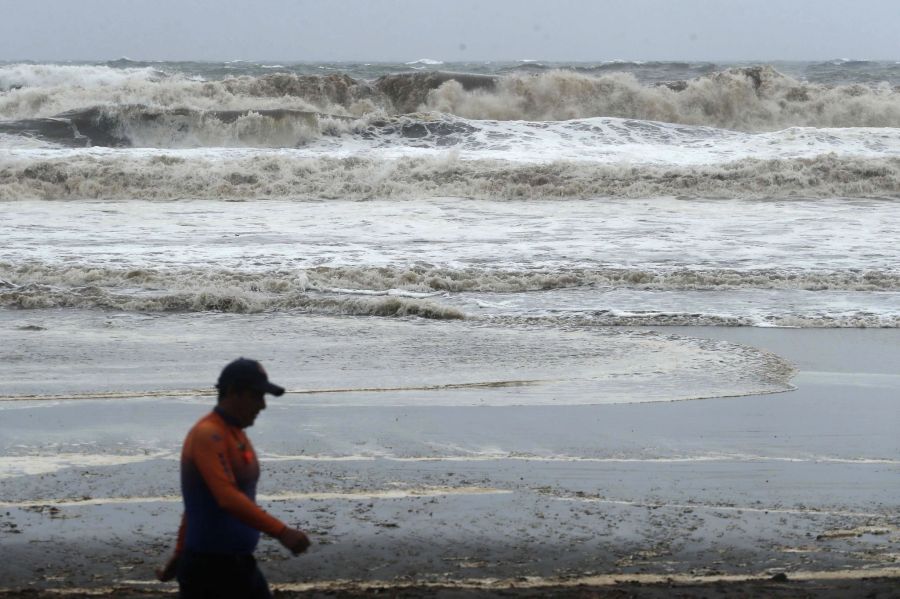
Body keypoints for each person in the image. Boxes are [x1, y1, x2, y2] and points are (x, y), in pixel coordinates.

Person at [156, 358, 310, 598]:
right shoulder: (208, 434)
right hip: (208, 569)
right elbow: (225, 497)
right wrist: (282, 532)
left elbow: (195, 504)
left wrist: (177, 553)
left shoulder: (235, 434)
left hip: (239, 565)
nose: (262, 406)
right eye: (256, 396)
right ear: (232, 392)